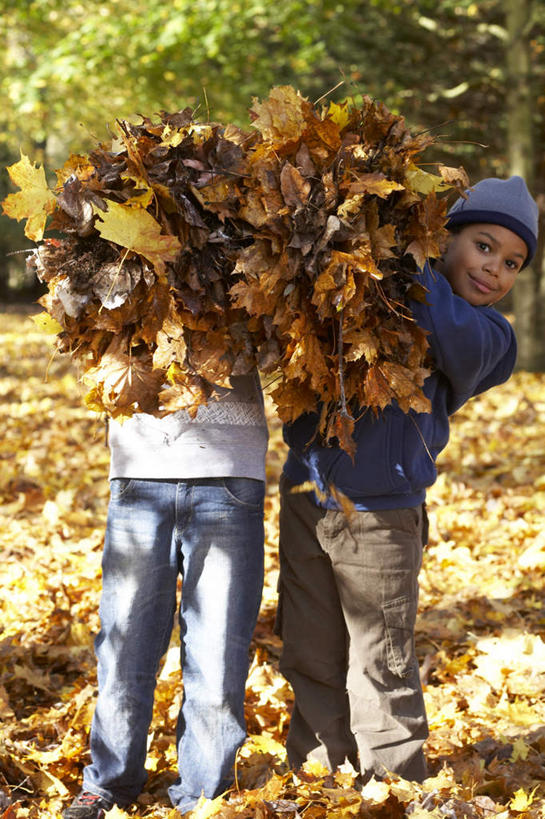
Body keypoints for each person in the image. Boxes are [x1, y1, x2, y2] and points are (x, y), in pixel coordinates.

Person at [276, 176, 539, 783]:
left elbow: (443, 325)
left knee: (381, 658)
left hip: (383, 516)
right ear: (444, 239)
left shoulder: (489, 336)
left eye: (512, 263)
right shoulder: (369, 292)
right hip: (306, 495)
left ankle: (394, 779)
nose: (494, 268)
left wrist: (398, 256)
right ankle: (321, 772)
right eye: (483, 246)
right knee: (311, 650)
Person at [63, 373, 268, 818]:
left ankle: (204, 797)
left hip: (229, 470)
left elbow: (277, 342)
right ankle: (109, 782)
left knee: (218, 652)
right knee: (125, 644)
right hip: (140, 469)